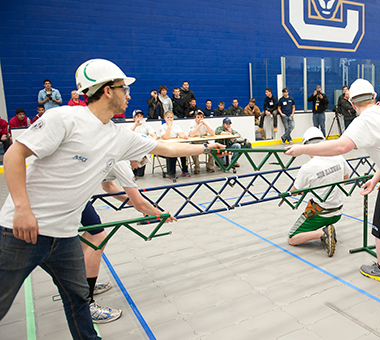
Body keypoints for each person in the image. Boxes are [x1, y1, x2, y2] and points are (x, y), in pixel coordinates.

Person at [0, 58, 224, 340]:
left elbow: (166, 147)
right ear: (107, 90)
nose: (128, 96)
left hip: (66, 236)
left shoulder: (117, 136)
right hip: (21, 230)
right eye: (124, 89)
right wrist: (21, 208)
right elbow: (14, 154)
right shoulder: (64, 119)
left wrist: (206, 146)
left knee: (79, 299)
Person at [285, 79, 380, 283]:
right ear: (375, 97)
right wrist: (376, 179)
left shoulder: (364, 121)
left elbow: (341, 147)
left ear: (351, 104)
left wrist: (303, 149)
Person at [81, 160, 177, 323]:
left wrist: (147, 208)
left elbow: (109, 187)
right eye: (140, 161)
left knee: (90, 236)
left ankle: (83, 286)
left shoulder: (116, 156)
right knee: (97, 237)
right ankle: (85, 304)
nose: (139, 166)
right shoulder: (122, 163)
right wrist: (158, 214)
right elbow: (139, 202)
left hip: (73, 191)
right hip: (73, 193)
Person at [287, 127, 349, 257]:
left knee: (292, 238)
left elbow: (293, 192)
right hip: (337, 212)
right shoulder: (338, 156)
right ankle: (327, 229)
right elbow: (346, 179)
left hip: (321, 214)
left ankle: (322, 233)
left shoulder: (308, 167)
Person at [159, 111, 190, 179]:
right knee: (172, 154)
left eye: (171, 117)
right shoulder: (163, 127)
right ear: (165, 118)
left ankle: (185, 170)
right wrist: (169, 126)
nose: (170, 119)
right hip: (166, 146)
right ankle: (171, 172)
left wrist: (184, 136)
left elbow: (180, 134)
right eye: (168, 117)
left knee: (184, 152)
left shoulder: (176, 126)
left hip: (175, 144)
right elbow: (165, 137)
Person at [130, 109, 158, 177]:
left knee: (141, 174)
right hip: (134, 149)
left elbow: (154, 136)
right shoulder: (131, 126)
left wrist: (150, 142)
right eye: (137, 116)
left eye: (140, 116)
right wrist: (136, 125)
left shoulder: (146, 126)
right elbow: (128, 134)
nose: (139, 118)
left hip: (143, 149)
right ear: (134, 117)